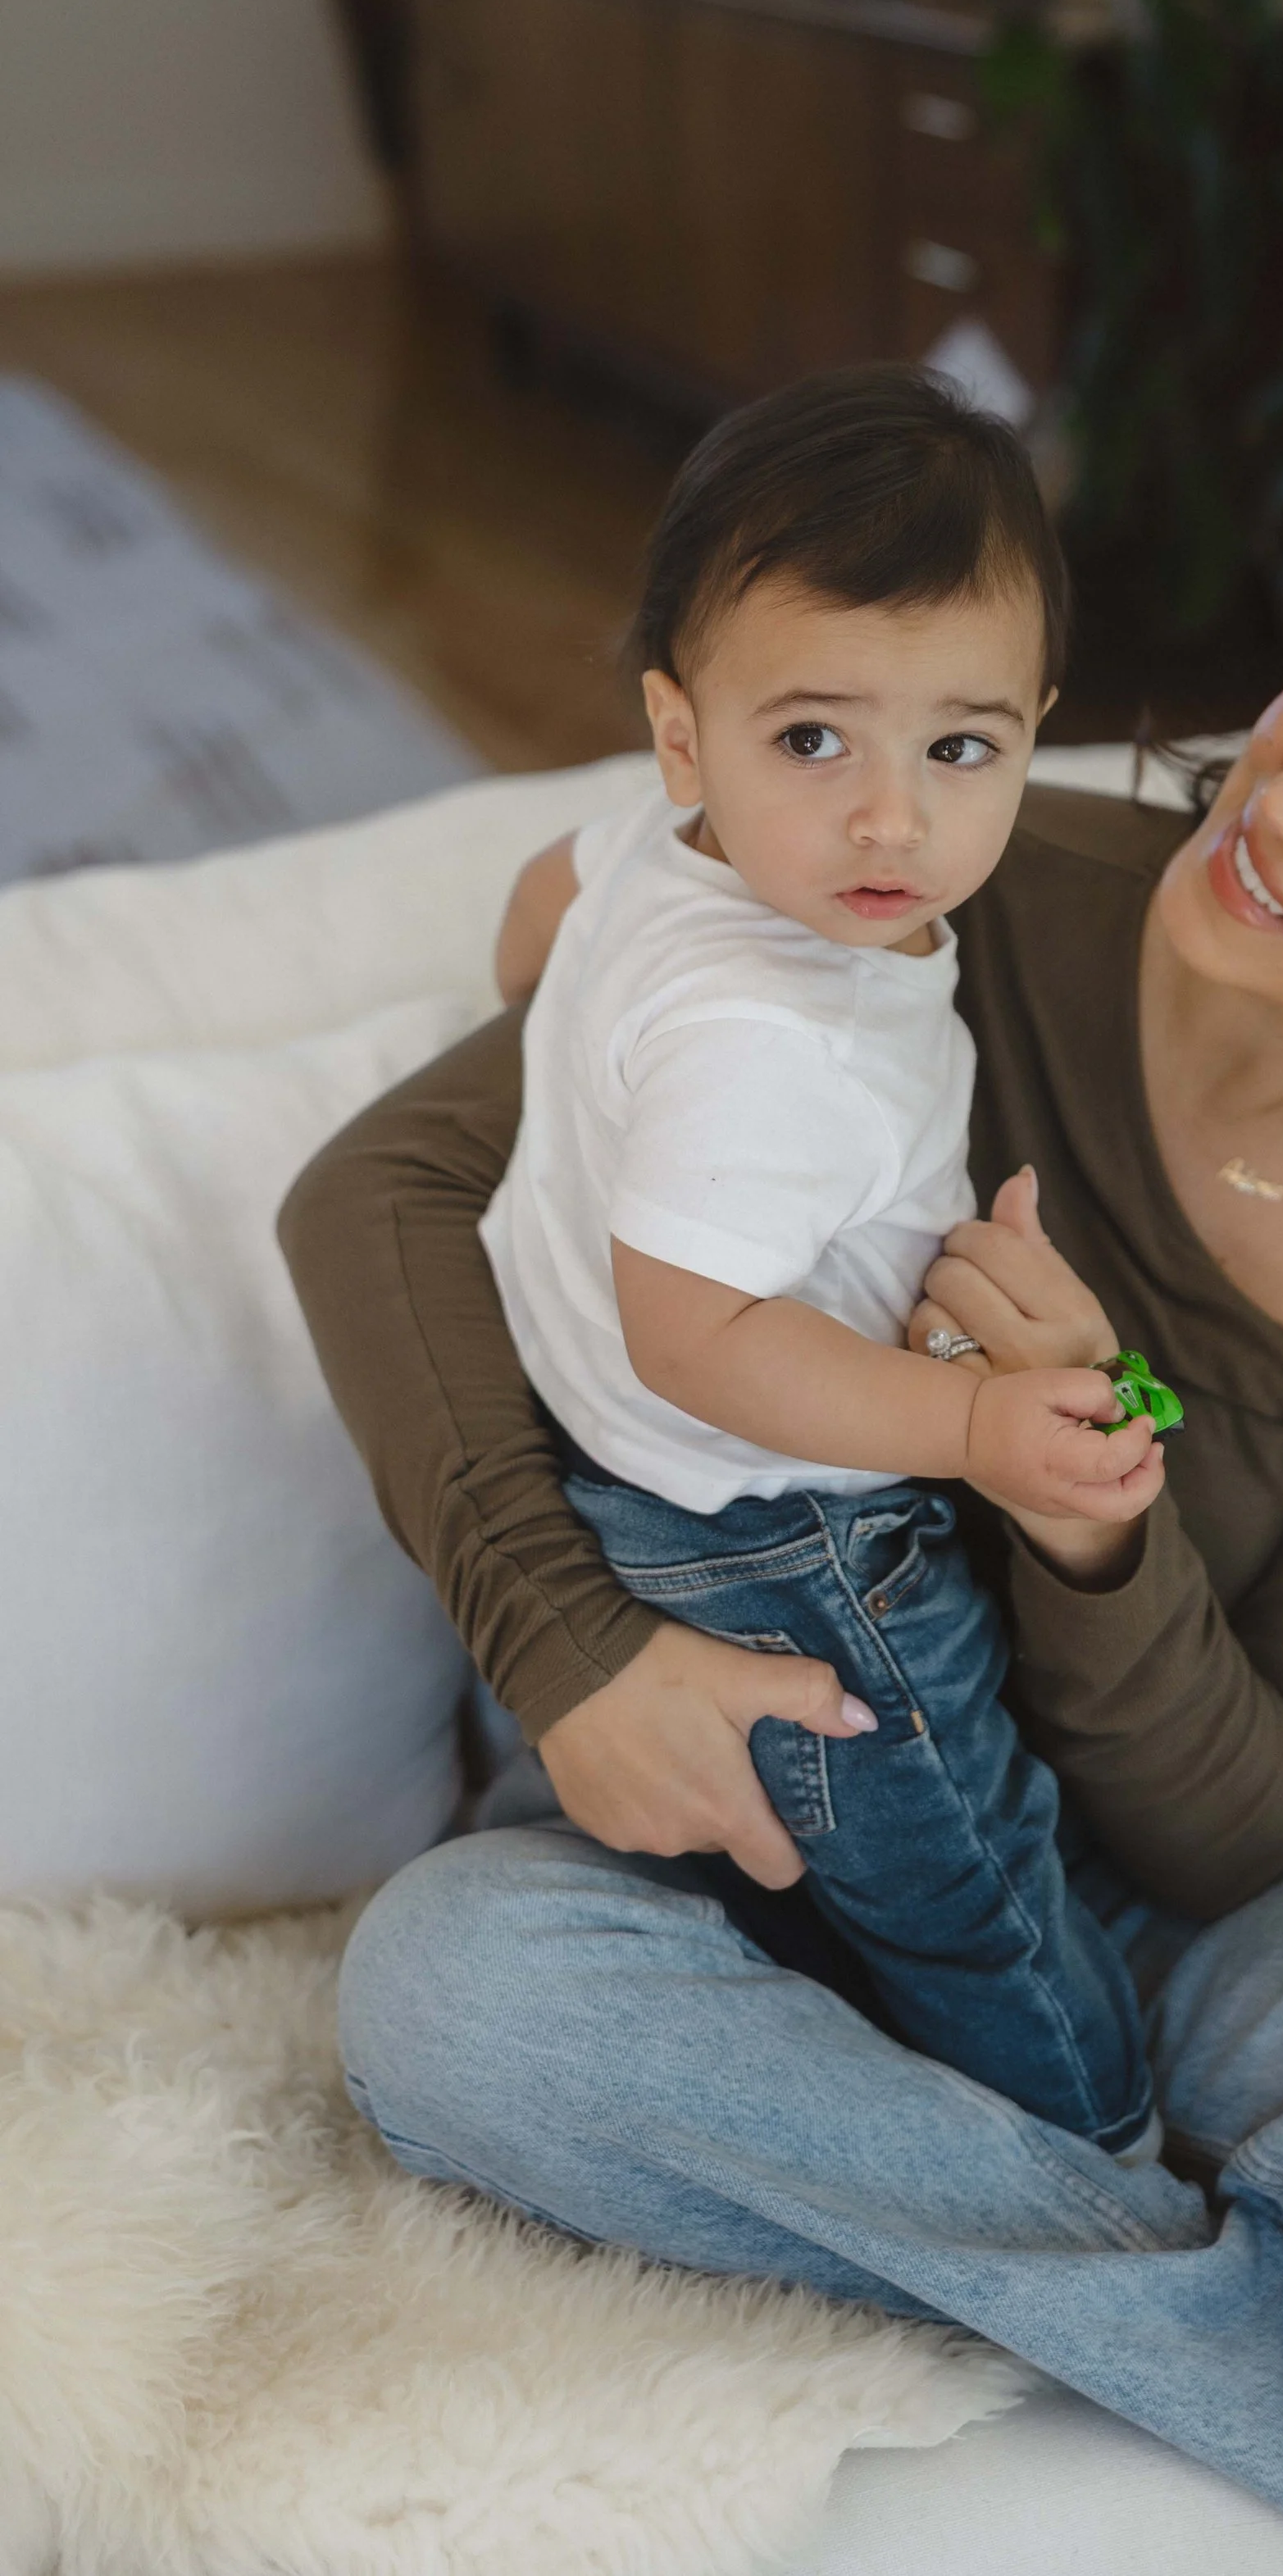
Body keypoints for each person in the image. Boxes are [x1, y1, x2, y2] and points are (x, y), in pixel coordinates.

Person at [280, 508, 1283, 2576]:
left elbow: (1256, 1825)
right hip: (771, 1806)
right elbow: (382, 1194)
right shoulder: (942, 882)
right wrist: (565, 1649)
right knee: (457, 1999)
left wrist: (1089, 1496)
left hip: (1170, 1882)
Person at [479, 365, 1158, 2156]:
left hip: (624, 1484)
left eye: (959, 747)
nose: (890, 822)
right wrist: (970, 1438)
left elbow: (533, 922)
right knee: (967, 1876)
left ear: (1033, 727)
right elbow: (693, 1328)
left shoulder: (653, 845)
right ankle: (1105, 2153)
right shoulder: (771, 1035)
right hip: (796, 1535)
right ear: (682, 728)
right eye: (814, 741)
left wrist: (576, 1057)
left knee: (841, 1847)